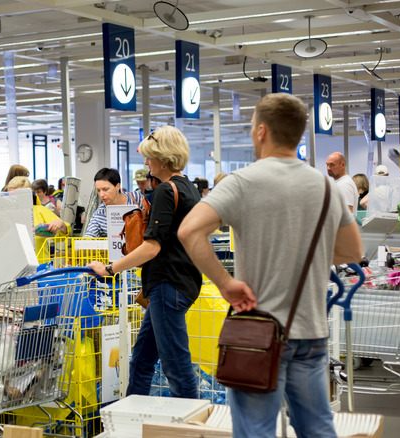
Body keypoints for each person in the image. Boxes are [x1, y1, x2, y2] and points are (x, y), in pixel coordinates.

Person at [178, 93, 363, 438]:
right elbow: (353, 250)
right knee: (318, 428)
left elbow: (189, 231)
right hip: (311, 331)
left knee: (255, 430)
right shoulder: (326, 185)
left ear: (261, 131)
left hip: (258, 334)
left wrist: (224, 283)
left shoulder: (242, 182)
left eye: (251, 126)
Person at [87, 126, 202, 399]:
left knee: (176, 365)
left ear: (163, 158)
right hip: (178, 283)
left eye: (150, 157)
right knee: (141, 358)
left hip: (167, 285)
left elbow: (152, 247)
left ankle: (188, 425)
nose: (146, 163)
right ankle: (131, 415)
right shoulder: (190, 190)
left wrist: (111, 269)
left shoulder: (165, 191)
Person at [3, 176, 68, 260]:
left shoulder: (40, 211)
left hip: (40, 269)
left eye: (18, 195)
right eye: (11, 195)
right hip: (12, 267)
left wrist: (61, 224)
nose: (14, 199)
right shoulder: (4, 215)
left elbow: (64, 233)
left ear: (28, 194)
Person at [83, 168, 145, 238]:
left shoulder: (135, 198)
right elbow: (88, 238)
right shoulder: (100, 213)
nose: (101, 194)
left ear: (117, 186)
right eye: (98, 190)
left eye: (105, 189)